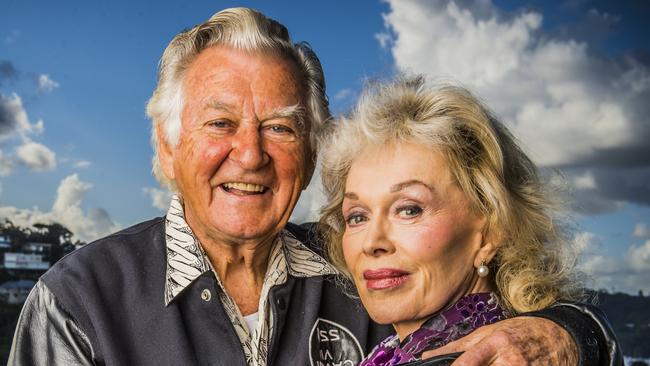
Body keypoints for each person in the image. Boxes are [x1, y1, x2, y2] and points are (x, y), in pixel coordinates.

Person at [9, 8, 620, 366]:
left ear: (310, 151)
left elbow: (500, 313)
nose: (249, 154)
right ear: (168, 148)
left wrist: (568, 333)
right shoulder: (78, 303)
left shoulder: (369, 281)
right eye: (220, 123)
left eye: (279, 127)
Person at [318, 75, 623, 365]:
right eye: (357, 216)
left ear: (491, 231)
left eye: (408, 209)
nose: (372, 243)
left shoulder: (508, 355)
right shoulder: (398, 352)